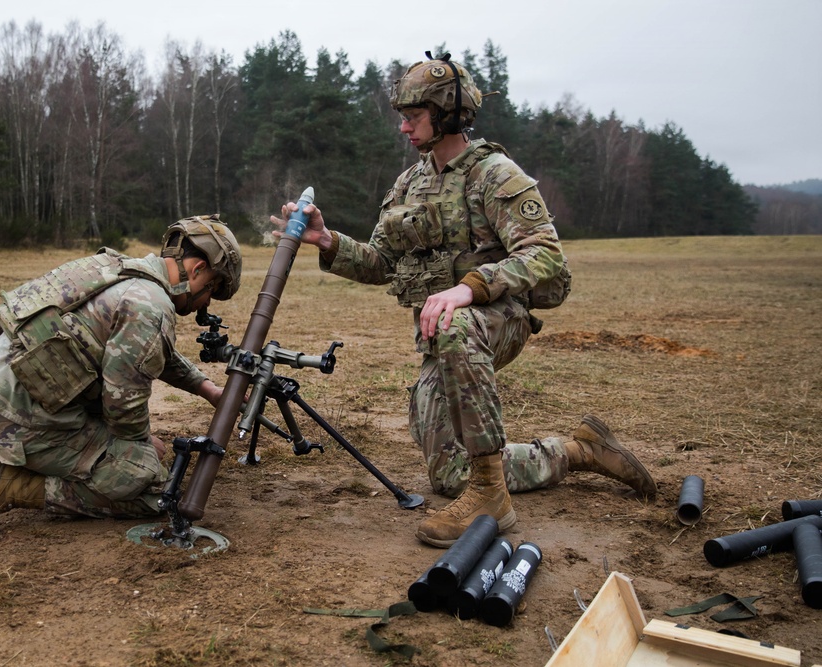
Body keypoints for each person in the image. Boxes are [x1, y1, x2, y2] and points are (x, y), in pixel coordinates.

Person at [272, 54, 656, 548]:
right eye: (403, 117)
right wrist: (328, 241)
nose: (404, 127)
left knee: (455, 324)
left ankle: (492, 497)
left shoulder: (493, 173)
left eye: (413, 117)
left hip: (498, 319)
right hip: (444, 334)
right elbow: (383, 263)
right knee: (450, 475)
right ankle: (578, 451)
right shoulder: (410, 183)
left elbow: (545, 254)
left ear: (446, 114)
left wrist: (468, 287)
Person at [0, 215, 242, 542]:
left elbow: (145, 347)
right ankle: (19, 486)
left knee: (149, 453)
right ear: (196, 271)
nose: (205, 303)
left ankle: (46, 460)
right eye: (211, 289)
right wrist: (138, 451)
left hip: (2, 392)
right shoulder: (151, 304)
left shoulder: (125, 271)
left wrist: (206, 388)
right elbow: (124, 409)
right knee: (153, 487)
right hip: (21, 419)